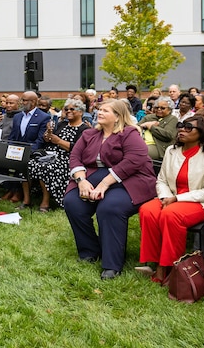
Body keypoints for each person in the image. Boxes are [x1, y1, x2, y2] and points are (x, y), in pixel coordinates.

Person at [64, 100, 157, 280]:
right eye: (99, 109)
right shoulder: (90, 134)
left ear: (118, 117)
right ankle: (90, 251)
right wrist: (81, 181)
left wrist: (105, 184)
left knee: (109, 208)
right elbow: (75, 157)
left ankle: (112, 265)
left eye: (106, 110)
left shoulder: (129, 133)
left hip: (131, 180)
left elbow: (134, 160)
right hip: (93, 178)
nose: (100, 112)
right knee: (73, 202)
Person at [137, 115, 204, 284]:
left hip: (200, 202)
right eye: (180, 126)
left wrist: (176, 198)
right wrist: (165, 197)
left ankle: (170, 266)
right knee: (147, 210)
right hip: (170, 197)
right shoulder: (172, 151)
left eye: (188, 127)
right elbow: (161, 179)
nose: (182, 129)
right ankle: (155, 262)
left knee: (171, 214)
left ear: (202, 132)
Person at [28, 98, 90, 210]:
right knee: (29, 163)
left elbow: (78, 149)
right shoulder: (62, 124)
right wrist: (48, 134)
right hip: (52, 155)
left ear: (80, 112)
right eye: (66, 109)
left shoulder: (84, 129)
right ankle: (26, 199)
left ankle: (45, 202)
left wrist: (59, 141)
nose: (68, 111)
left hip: (69, 159)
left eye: (72, 109)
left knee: (46, 167)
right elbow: (48, 141)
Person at [9, 90, 50, 208]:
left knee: (27, 164)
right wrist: (9, 149)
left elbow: (40, 141)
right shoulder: (17, 116)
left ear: (33, 102)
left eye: (24, 100)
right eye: (22, 100)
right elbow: (13, 137)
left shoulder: (43, 117)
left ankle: (39, 200)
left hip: (35, 153)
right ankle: (20, 196)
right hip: (17, 151)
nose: (22, 102)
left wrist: (26, 153)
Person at [138, 96, 178, 161]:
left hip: (157, 147)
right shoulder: (149, 117)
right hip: (140, 142)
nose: (159, 109)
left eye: (162, 108)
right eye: (157, 107)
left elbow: (168, 135)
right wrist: (145, 125)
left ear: (170, 109)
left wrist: (151, 127)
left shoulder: (172, 119)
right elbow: (136, 128)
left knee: (138, 153)